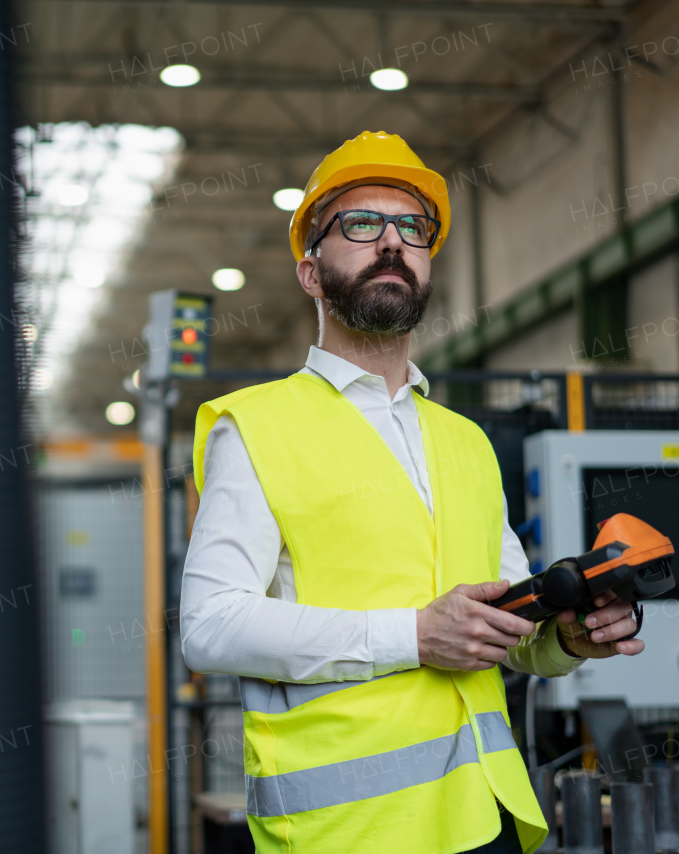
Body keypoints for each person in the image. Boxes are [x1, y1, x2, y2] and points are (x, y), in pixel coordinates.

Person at [180, 131, 645, 854]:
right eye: (362, 225)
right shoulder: (258, 426)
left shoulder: (465, 441)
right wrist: (413, 637)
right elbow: (209, 626)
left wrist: (569, 639)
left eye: (413, 229)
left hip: (488, 816)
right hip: (348, 833)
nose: (392, 242)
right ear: (310, 271)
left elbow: (509, 633)